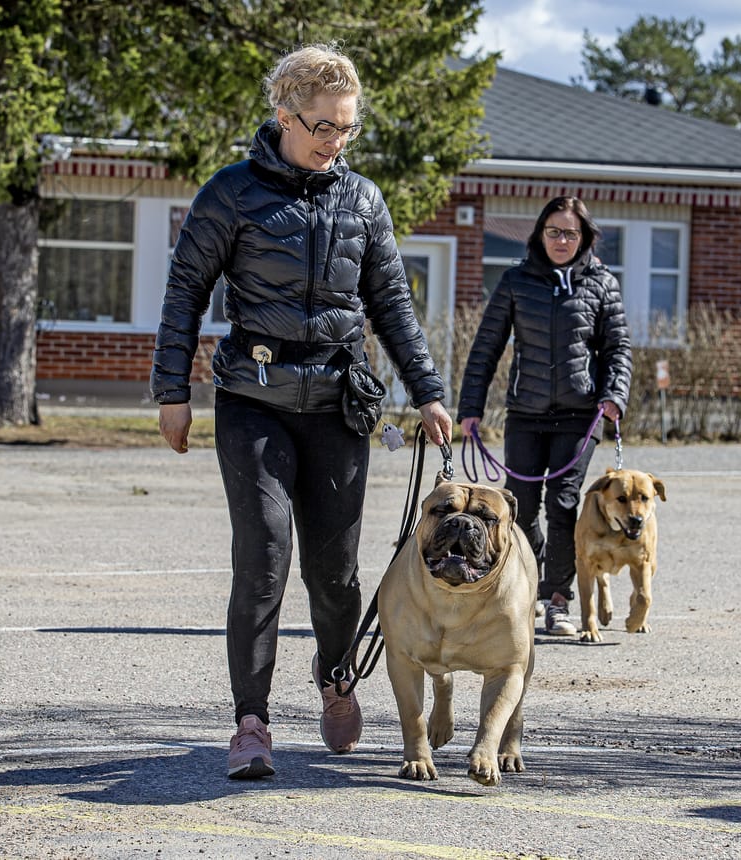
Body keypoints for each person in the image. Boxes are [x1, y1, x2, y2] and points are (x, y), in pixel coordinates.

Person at [151, 43, 452, 780]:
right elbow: (184, 292)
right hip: (253, 402)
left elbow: (391, 305)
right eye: (322, 125)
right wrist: (172, 392)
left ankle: (336, 675)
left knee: (336, 572)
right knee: (262, 559)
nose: (334, 141)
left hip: (338, 406)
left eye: (346, 128)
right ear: (283, 115)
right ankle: (250, 723)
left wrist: (429, 390)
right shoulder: (231, 194)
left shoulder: (362, 200)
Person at [457, 196, 632, 638]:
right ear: (539, 234)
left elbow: (618, 350)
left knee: (564, 501)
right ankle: (531, 582)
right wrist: (470, 409)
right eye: (553, 231)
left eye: (570, 233)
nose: (561, 240)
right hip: (526, 413)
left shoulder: (602, 284)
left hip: (580, 414)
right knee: (521, 504)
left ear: (585, 238)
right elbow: (486, 347)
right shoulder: (516, 281)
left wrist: (614, 394)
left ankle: (558, 598)